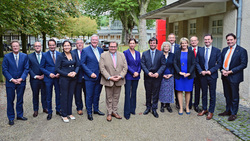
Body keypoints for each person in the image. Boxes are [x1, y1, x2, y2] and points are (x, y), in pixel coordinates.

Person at [219, 33, 248, 121]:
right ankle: (227, 110)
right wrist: (222, 70)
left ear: (235, 40)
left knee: (234, 96)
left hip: (234, 76)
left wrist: (231, 71)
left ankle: (233, 113)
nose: (229, 41)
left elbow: (243, 64)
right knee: (227, 94)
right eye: (228, 40)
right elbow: (220, 63)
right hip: (225, 76)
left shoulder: (242, 50)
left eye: (231, 40)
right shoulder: (224, 50)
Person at [2, 40, 29, 125]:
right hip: (11, 82)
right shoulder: (7, 57)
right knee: (10, 100)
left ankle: (20, 115)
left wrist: (21, 78)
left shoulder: (24, 56)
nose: (15, 47)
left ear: (19, 46)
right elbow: (4, 70)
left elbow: (26, 68)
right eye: (14, 46)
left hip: (21, 82)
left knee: (20, 99)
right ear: (11, 47)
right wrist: (12, 79)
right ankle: (11, 117)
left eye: (17, 46)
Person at [99, 41, 127, 122]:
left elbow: (125, 67)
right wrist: (110, 77)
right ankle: (109, 113)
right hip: (108, 80)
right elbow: (102, 68)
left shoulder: (122, 55)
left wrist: (120, 76)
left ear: (117, 47)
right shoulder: (103, 55)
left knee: (116, 97)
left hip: (119, 79)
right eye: (111, 46)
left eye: (114, 46)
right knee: (109, 97)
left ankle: (115, 112)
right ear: (109, 47)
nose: (113, 48)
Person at [196, 34, 221, 120]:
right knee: (204, 93)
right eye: (205, 39)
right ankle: (204, 109)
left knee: (212, 94)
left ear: (211, 40)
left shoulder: (217, 51)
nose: (207, 41)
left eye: (208, 39)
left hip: (212, 75)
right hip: (203, 75)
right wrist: (200, 71)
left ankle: (211, 111)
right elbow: (197, 62)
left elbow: (219, 64)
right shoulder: (200, 50)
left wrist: (211, 71)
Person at [141, 37, 166, 118]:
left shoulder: (160, 53)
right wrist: (148, 73)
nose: (152, 44)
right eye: (151, 43)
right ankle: (148, 107)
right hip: (148, 77)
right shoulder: (145, 53)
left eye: (154, 43)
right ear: (149, 44)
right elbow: (143, 64)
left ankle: (154, 108)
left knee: (155, 93)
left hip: (157, 77)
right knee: (148, 93)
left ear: (156, 44)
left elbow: (163, 64)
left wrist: (158, 73)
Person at [81, 34, 104, 121]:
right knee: (89, 95)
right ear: (91, 41)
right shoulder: (85, 50)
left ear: (98, 41)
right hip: (90, 77)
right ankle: (89, 112)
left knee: (97, 94)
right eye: (93, 40)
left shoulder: (101, 50)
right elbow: (82, 64)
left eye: (96, 40)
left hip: (99, 77)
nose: (94, 41)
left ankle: (96, 109)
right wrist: (90, 73)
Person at [55, 40, 79, 123]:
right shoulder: (60, 56)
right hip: (64, 79)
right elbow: (57, 69)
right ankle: (64, 114)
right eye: (65, 45)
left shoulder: (74, 54)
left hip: (73, 79)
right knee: (64, 96)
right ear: (63, 47)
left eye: (68, 45)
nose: (67, 47)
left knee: (70, 95)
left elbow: (78, 65)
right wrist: (67, 74)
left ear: (71, 46)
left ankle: (69, 113)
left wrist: (75, 72)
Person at [174, 37, 196, 115]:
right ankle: (180, 107)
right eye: (182, 43)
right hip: (179, 75)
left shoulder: (191, 52)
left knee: (188, 91)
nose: (184, 44)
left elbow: (194, 63)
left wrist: (189, 73)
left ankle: (186, 106)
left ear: (187, 43)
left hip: (188, 75)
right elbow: (175, 63)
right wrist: (179, 72)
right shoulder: (177, 52)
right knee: (179, 90)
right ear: (180, 44)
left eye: (185, 43)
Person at [40, 39, 61, 120]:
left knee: (58, 94)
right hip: (49, 78)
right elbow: (41, 67)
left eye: (53, 45)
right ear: (48, 46)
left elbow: (62, 65)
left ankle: (58, 110)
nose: (52, 46)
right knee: (49, 95)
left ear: (55, 45)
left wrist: (59, 73)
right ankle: (50, 112)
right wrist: (49, 74)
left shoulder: (59, 54)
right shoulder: (45, 55)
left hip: (58, 78)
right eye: (50, 45)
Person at [123, 38, 141, 120]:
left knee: (134, 92)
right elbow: (125, 64)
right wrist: (133, 72)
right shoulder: (125, 53)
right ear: (128, 44)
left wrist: (138, 72)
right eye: (130, 43)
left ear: (135, 44)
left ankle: (132, 109)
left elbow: (140, 64)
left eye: (133, 43)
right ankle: (126, 112)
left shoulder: (137, 53)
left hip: (136, 76)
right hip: (129, 76)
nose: (132, 45)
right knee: (127, 93)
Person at [28, 41, 47, 117]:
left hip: (44, 78)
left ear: (41, 46)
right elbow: (28, 68)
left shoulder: (45, 55)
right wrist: (35, 76)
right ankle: (35, 110)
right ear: (34, 47)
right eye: (36, 46)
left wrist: (44, 75)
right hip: (34, 79)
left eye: (39, 46)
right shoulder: (29, 56)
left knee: (44, 94)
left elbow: (47, 66)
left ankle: (45, 108)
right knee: (35, 95)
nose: (37, 47)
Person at [159, 42, 175, 113]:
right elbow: (158, 65)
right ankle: (162, 105)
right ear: (163, 47)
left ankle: (168, 105)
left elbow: (175, 65)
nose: (166, 48)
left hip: (170, 75)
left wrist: (171, 74)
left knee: (169, 91)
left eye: (167, 46)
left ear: (169, 48)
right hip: (162, 75)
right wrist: (162, 74)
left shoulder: (172, 55)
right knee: (162, 90)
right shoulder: (160, 55)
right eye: (165, 46)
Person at [72, 38, 85, 115]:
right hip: (76, 77)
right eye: (77, 43)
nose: (79, 44)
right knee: (77, 94)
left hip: (86, 77)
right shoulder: (72, 53)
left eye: (81, 43)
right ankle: (79, 108)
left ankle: (88, 106)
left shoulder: (86, 51)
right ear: (75, 44)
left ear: (83, 44)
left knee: (88, 94)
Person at [189, 36, 202, 112]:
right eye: (192, 41)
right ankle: (189, 104)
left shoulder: (201, 50)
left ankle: (196, 104)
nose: (193, 42)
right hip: (190, 72)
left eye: (195, 40)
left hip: (198, 73)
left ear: (198, 41)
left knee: (197, 89)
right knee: (189, 89)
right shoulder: (188, 49)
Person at [168, 33, 180, 109]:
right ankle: (167, 102)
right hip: (168, 70)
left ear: (175, 39)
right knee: (168, 87)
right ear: (168, 39)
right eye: (170, 38)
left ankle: (177, 102)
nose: (171, 39)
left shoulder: (178, 47)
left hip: (177, 70)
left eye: (173, 38)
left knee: (177, 87)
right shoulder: (166, 46)